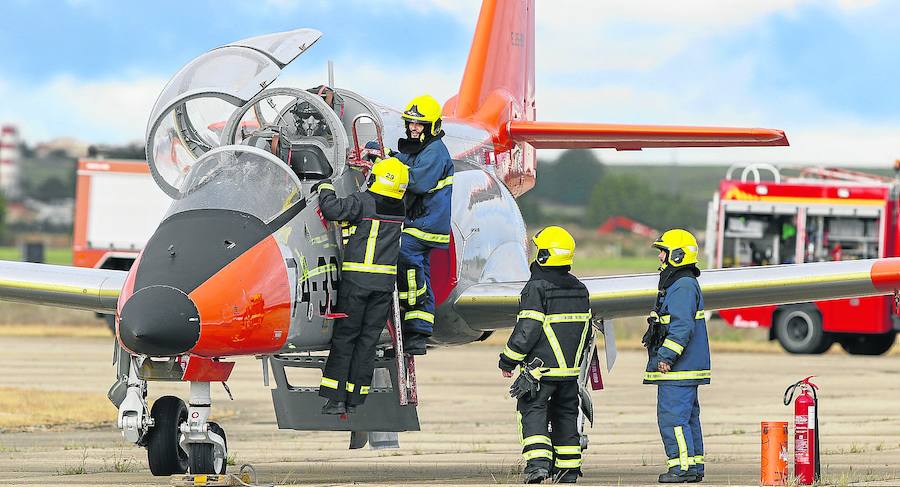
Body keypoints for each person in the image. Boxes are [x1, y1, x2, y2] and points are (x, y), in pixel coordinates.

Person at [314, 158, 409, 415]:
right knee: (367, 343)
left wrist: (325, 187)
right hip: (383, 287)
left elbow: (333, 209)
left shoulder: (363, 202)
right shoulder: (399, 207)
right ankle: (355, 398)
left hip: (356, 283)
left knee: (346, 339)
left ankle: (335, 398)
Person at [498, 226, 591, 484]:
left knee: (532, 411)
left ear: (544, 256)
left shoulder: (537, 288)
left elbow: (527, 329)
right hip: (569, 373)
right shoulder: (580, 289)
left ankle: (538, 466)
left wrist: (508, 359)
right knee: (566, 417)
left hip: (541, 372)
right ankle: (568, 469)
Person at [642, 229, 710, 483]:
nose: (660, 256)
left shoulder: (681, 286)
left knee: (673, 419)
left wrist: (666, 356)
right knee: (688, 419)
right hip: (688, 367)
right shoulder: (683, 283)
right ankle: (693, 466)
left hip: (680, 368)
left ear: (677, 255)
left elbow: (682, 327)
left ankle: (681, 468)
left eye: (664, 251)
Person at [393, 94, 454, 355]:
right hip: (418, 222)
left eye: (418, 125)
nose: (413, 128)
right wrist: (384, 155)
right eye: (410, 123)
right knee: (420, 271)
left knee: (406, 256)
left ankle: (414, 315)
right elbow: (404, 161)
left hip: (424, 225)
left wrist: (384, 167)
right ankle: (418, 332)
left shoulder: (435, 152)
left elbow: (416, 181)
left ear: (432, 126)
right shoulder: (421, 148)